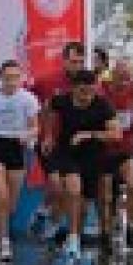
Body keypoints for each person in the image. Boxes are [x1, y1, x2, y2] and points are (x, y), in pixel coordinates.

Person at [46, 69, 120, 260]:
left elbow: (116, 134)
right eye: (82, 92)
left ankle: (74, 235)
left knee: (85, 204)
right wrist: (47, 134)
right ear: (73, 89)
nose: (87, 97)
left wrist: (89, 134)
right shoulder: (62, 100)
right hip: (67, 152)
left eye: (90, 92)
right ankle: (72, 238)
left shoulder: (102, 105)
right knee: (73, 189)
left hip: (93, 156)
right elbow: (47, 109)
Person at [0, 60, 40, 262]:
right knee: (2, 194)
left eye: (16, 77)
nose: (12, 82)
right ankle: (4, 242)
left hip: (17, 146)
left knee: (11, 204)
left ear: (21, 78)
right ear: (0, 78)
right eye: (8, 78)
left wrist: (27, 135)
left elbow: (35, 127)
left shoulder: (28, 99)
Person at [31, 40, 87, 239]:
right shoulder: (46, 81)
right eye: (73, 61)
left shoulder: (86, 84)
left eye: (80, 62)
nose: (77, 66)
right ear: (63, 61)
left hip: (72, 143)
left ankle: (50, 222)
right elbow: (31, 104)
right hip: (48, 140)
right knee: (56, 183)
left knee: (68, 188)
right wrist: (40, 133)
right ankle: (44, 211)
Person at [101, 58, 133, 251]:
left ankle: (130, 229)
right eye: (120, 76)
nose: (123, 81)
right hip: (105, 149)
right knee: (106, 196)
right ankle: (106, 233)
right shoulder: (102, 89)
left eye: (126, 76)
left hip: (126, 148)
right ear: (113, 74)